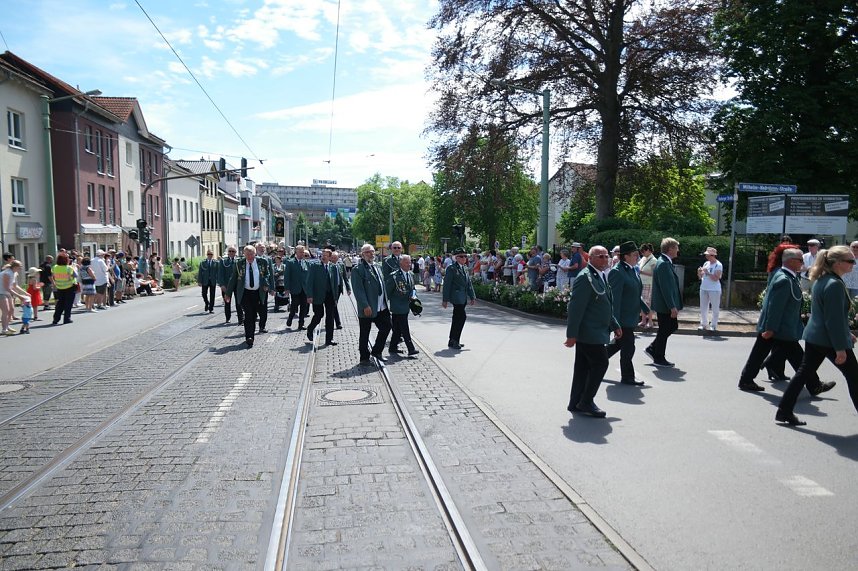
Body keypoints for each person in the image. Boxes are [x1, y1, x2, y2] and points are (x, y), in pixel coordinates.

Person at [775, 245, 858, 426]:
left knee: (803, 374)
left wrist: (847, 333)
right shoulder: (834, 284)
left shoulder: (823, 280)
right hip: (828, 339)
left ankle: (784, 410)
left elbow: (828, 315)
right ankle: (784, 411)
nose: (854, 263)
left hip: (816, 336)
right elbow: (833, 320)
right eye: (850, 260)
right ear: (837, 263)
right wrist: (840, 348)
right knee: (855, 377)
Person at [736, 247, 835, 395]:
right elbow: (775, 306)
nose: (803, 263)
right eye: (800, 260)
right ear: (790, 261)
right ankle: (814, 385)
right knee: (798, 357)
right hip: (780, 328)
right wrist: (770, 328)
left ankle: (746, 380)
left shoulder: (787, 276)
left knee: (761, 353)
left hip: (780, 326)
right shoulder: (784, 279)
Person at [564, 246, 622, 417]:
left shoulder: (599, 275)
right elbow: (575, 308)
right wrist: (571, 334)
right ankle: (586, 401)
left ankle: (575, 402)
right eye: (601, 256)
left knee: (582, 368)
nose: (606, 259)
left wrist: (615, 324)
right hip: (590, 332)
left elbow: (605, 304)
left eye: (607, 256)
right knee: (601, 363)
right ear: (590, 257)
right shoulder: (586, 277)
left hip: (596, 330)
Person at [606, 241, 648, 385]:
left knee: (617, 345)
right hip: (622, 319)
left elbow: (635, 293)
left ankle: (593, 361)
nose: (637, 256)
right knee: (629, 347)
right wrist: (615, 323)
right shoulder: (617, 272)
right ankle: (628, 376)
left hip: (631, 317)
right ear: (626, 256)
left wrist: (645, 309)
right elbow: (614, 300)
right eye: (634, 254)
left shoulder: (632, 269)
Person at [225, 244, 274, 348]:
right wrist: (228, 294)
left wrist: (267, 285)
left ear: (255, 253)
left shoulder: (262, 262)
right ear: (244, 254)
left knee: (256, 314)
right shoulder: (239, 264)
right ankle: (249, 337)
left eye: (251, 254)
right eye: (247, 254)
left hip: (258, 292)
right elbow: (233, 279)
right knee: (248, 314)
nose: (250, 256)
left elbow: (267, 274)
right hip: (245, 293)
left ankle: (257, 329)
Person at [351, 244, 392, 364]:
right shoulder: (358, 269)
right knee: (365, 332)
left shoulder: (378, 267)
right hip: (368, 307)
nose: (371, 254)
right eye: (368, 252)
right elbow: (358, 290)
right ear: (362, 255)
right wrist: (365, 305)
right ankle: (364, 357)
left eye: (372, 252)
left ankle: (377, 351)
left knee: (387, 326)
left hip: (381, 306)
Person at [646, 237, 682, 367]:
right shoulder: (663, 264)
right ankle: (659, 357)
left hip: (665, 304)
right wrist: (672, 306)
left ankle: (653, 348)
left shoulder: (665, 262)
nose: (678, 250)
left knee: (671, 327)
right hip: (665, 305)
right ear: (670, 249)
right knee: (665, 329)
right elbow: (666, 288)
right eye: (676, 247)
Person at [304, 247, 341, 346]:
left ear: (330, 257)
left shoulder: (333, 267)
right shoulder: (314, 266)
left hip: (330, 295)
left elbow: (335, 284)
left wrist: (336, 297)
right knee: (319, 315)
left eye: (325, 256)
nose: (323, 257)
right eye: (322, 255)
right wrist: (309, 295)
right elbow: (309, 282)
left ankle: (329, 339)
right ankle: (310, 328)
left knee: (330, 317)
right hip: (317, 295)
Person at [442, 247, 476, 350]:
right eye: (461, 256)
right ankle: (455, 340)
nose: (464, 258)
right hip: (456, 297)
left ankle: (453, 340)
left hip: (463, 297)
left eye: (465, 256)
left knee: (457, 318)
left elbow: (468, 283)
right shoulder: (451, 268)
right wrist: (445, 299)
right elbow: (447, 284)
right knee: (461, 317)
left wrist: (472, 296)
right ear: (456, 258)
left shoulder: (464, 267)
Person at [386, 254, 420, 357]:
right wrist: (384, 305)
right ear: (400, 263)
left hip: (406, 306)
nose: (409, 264)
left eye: (410, 262)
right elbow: (388, 291)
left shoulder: (410, 274)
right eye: (406, 262)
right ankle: (411, 348)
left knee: (397, 328)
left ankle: (392, 347)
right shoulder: (394, 276)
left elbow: (413, 289)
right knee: (404, 328)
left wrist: (414, 298)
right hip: (397, 306)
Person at [285, 244, 311, 330]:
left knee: (304, 306)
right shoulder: (290, 262)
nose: (302, 254)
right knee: (294, 305)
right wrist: (287, 288)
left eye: (303, 252)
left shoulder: (306, 263)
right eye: (300, 252)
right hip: (295, 288)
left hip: (304, 289)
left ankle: (301, 324)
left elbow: (309, 276)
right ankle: (290, 317)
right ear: (296, 252)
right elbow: (287, 276)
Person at [697, 247, 723, 331]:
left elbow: (716, 278)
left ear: (712, 255)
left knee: (715, 308)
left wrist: (707, 272)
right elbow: (701, 277)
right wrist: (699, 273)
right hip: (704, 288)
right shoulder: (706, 263)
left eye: (707, 255)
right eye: (706, 255)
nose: (706, 257)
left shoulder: (718, 265)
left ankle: (713, 325)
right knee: (703, 307)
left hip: (714, 289)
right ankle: (704, 324)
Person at [1, 260, 29, 335]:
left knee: (11, 309)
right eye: (20, 266)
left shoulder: (14, 273)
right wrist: (19, 296)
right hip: (1, 293)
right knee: (6, 310)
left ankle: (7, 326)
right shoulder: (7, 273)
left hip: (6, 292)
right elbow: (7, 288)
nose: (21, 268)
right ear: (15, 267)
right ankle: (4, 330)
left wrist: (26, 293)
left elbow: (15, 286)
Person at [218, 247, 243, 325]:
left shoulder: (239, 261)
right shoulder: (223, 261)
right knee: (227, 302)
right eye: (230, 251)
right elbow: (220, 274)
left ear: (236, 252)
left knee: (239, 302)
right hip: (227, 285)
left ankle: (240, 319)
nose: (231, 252)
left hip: (237, 285)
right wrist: (222, 285)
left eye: (233, 251)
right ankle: (228, 318)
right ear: (228, 252)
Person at [50, 253, 77, 325]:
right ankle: (67, 319)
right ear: (66, 260)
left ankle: (55, 319)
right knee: (68, 304)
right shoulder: (68, 268)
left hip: (60, 287)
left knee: (60, 304)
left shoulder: (54, 267)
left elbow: (52, 275)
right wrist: (73, 267)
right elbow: (75, 275)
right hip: (70, 287)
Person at [637, 243, 657, 329]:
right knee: (642, 302)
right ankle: (643, 320)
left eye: (643, 251)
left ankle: (650, 321)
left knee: (647, 303)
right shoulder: (643, 259)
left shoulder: (653, 260)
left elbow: (654, 274)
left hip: (648, 283)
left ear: (648, 250)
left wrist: (641, 272)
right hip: (641, 283)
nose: (642, 253)